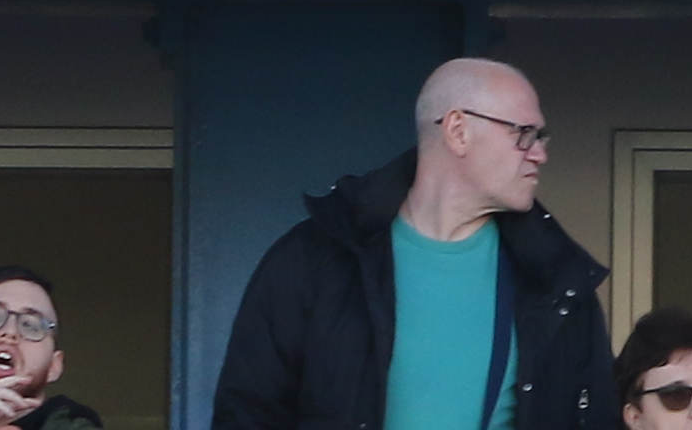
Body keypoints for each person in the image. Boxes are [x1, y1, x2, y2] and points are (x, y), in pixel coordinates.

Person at [216, 57, 606, 430]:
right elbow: (248, 414)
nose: (539, 154)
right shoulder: (315, 259)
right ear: (458, 130)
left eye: (540, 137)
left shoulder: (560, 280)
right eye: (524, 134)